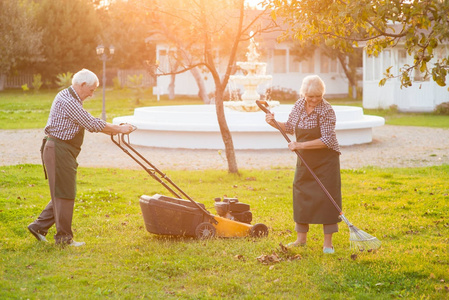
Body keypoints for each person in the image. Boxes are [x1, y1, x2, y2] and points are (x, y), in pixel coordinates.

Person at [27, 69, 135, 247]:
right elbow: (91, 123)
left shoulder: (70, 97)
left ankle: (39, 227)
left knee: (62, 191)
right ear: (82, 84)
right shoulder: (68, 101)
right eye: (91, 90)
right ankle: (64, 239)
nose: (92, 94)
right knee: (65, 194)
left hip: (62, 149)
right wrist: (119, 129)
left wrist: (114, 129)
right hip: (58, 149)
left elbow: (89, 123)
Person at [264, 75, 342, 254]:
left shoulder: (326, 110)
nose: (314, 100)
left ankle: (328, 243)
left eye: (318, 96)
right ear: (303, 93)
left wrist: (300, 145)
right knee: (301, 193)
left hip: (325, 160)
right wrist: (274, 123)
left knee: (327, 197)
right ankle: (301, 239)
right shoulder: (299, 105)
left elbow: (327, 140)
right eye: (310, 96)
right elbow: (290, 127)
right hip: (305, 159)